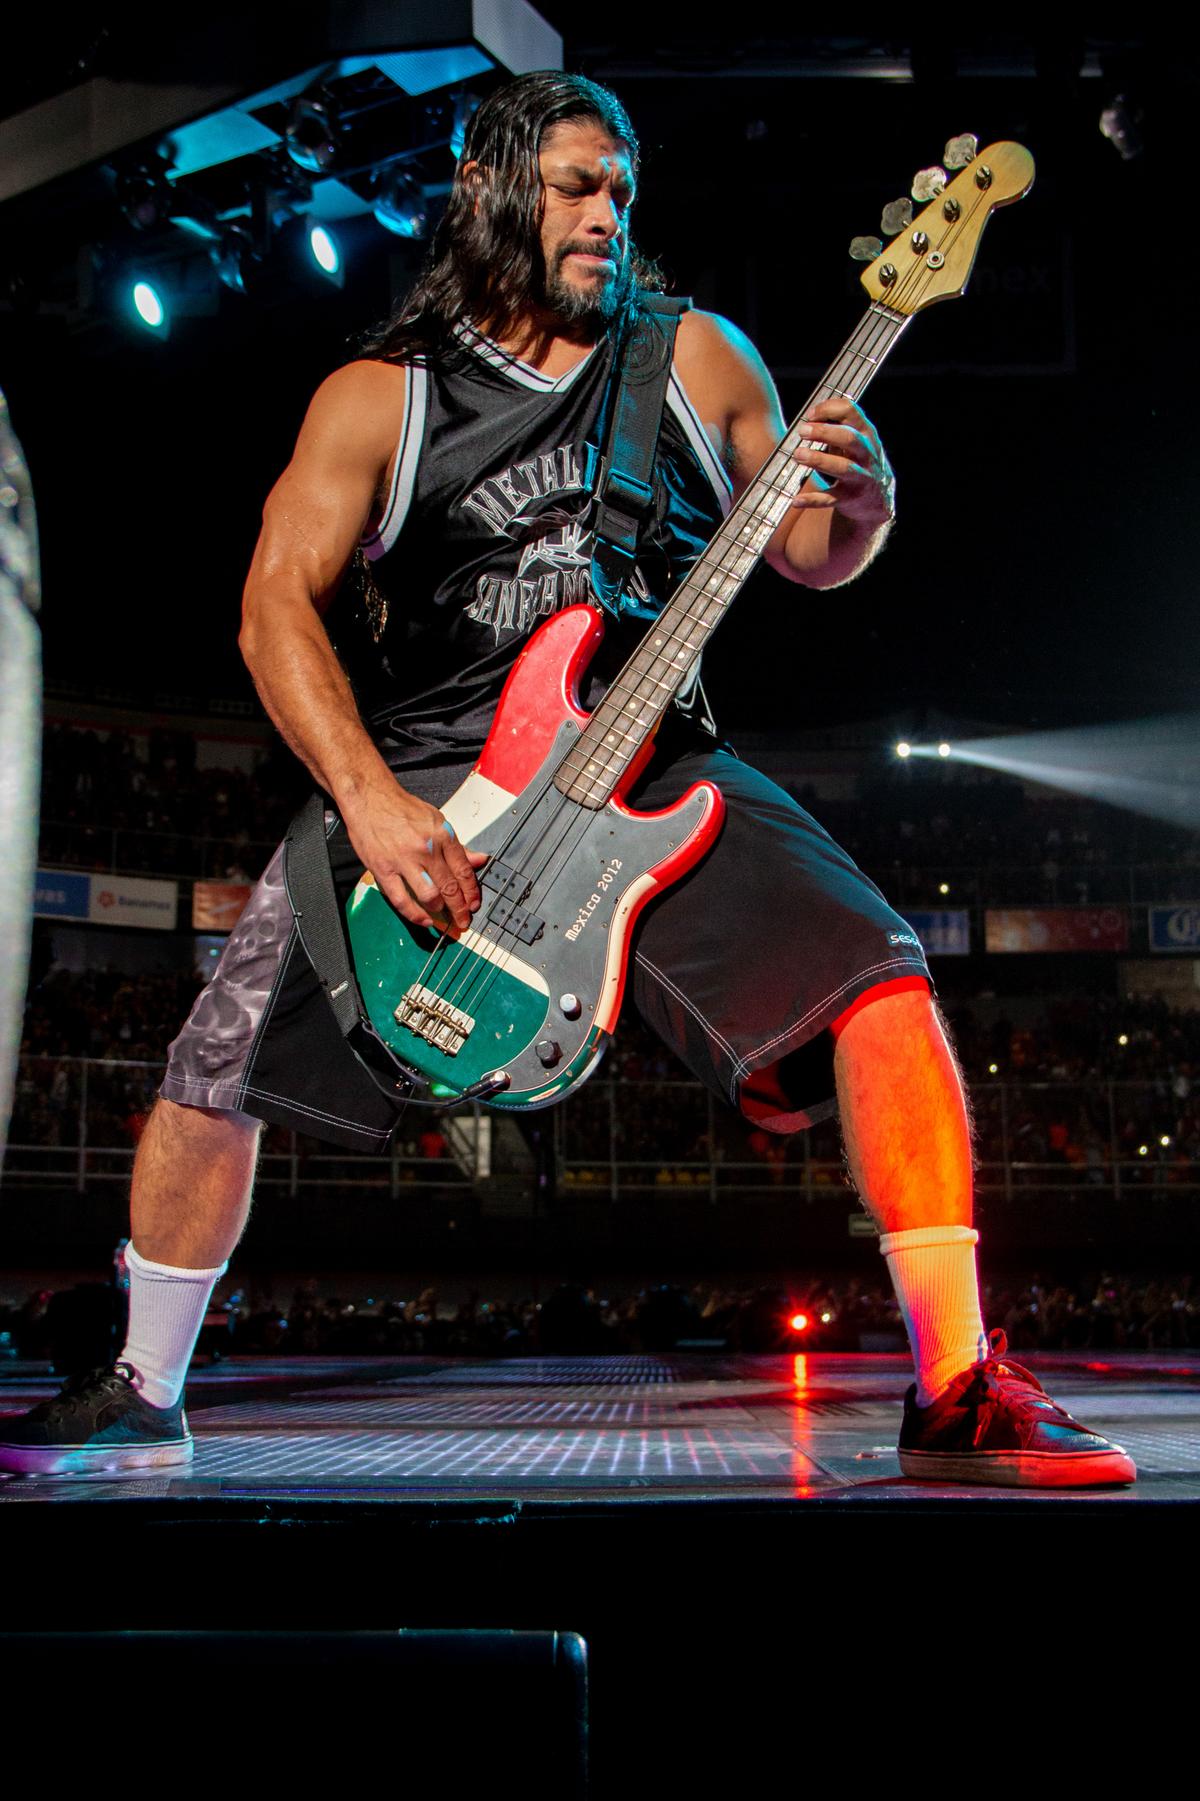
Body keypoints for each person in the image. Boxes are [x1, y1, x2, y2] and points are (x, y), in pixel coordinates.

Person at [0, 70, 1134, 1486]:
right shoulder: (385, 396)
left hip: (652, 755)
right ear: (490, 190)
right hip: (436, 776)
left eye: (623, 191)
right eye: (577, 187)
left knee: (883, 979)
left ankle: (956, 1385)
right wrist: (370, 800)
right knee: (213, 1063)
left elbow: (801, 548)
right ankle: (145, 1380)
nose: (609, 214)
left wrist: (863, 504)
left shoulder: (695, 356)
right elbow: (272, 608)